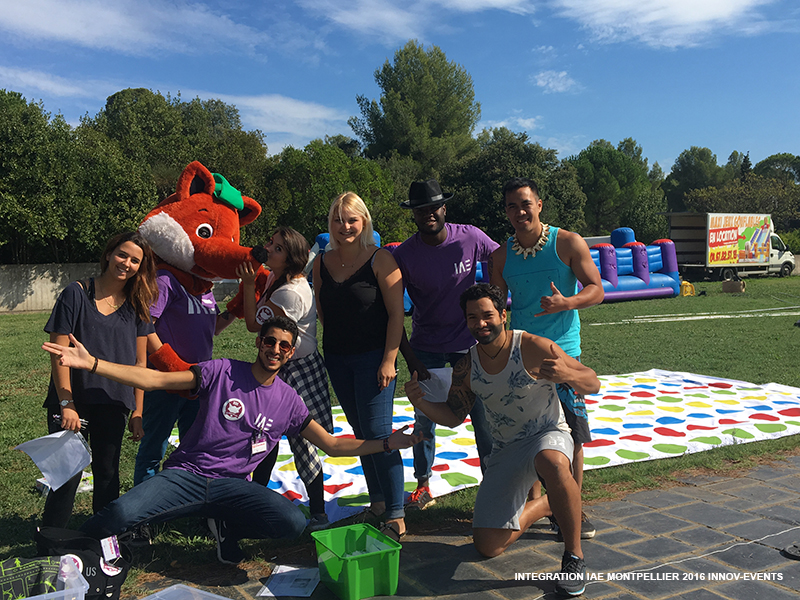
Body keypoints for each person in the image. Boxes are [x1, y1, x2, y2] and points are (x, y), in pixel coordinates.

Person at [42, 316, 422, 564]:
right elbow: (156, 380)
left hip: (232, 488)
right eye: (269, 342)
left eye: (283, 346)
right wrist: (92, 364)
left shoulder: (288, 400)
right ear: (259, 343)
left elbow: (334, 445)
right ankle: (64, 545)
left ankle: (226, 525)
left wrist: (389, 443)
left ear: (291, 353)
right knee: (122, 514)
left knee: (293, 522)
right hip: (187, 475)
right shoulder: (221, 371)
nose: (275, 350)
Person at [405, 284, 599, 597]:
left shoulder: (533, 346)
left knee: (550, 460)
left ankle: (573, 556)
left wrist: (568, 374)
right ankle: (548, 504)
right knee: (487, 546)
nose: (480, 323)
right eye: (472, 318)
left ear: (502, 315)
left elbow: (593, 381)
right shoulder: (466, 366)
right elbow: (454, 416)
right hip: (506, 448)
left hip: (547, 433)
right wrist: (422, 403)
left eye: (487, 315)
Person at [489, 177, 604, 540]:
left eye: (525, 203)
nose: (519, 212)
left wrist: (567, 302)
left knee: (574, 433)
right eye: (511, 206)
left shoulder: (567, 242)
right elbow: (496, 306)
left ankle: (573, 508)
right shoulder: (501, 256)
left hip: (565, 353)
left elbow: (596, 289)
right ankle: (537, 502)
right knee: (528, 433)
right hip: (522, 356)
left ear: (539, 205)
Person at [393, 179, 498, 510]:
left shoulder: (469, 236)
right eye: (421, 209)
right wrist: (412, 360)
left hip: (471, 344)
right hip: (427, 347)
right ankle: (422, 486)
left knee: (484, 417)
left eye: (433, 207)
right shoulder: (405, 255)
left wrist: (497, 301)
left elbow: (501, 256)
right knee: (424, 419)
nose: (428, 214)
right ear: (414, 214)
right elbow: (393, 313)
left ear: (444, 208)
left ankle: (494, 484)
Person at [42, 231, 158, 527]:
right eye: (122, 255)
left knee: (107, 474)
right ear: (109, 254)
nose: (126, 264)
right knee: (67, 475)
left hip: (113, 401)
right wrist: (67, 404)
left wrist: (138, 410)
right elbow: (59, 353)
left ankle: (103, 538)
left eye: (135, 260)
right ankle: (51, 540)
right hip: (72, 401)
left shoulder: (137, 305)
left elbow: (140, 362)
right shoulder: (76, 293)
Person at [312, 192, 408, 541]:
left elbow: (397, 314)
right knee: (361, 434)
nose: (345, 227)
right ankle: (379, 502)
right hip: (338, 358)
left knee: (380, 434)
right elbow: (323, 311)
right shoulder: (321, 263)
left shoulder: (381, 259)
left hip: (374, 359)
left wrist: (388, 359)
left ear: (364, 222)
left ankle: (397, 513)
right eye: (338, 220)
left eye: (351, 219)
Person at [236, 227, 333, 531]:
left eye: (276, 248)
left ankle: (317, 512)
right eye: (270, 242)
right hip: (295, 365)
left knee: (301, 440)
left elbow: (254, 325)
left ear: (290, 257)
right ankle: (258, 497)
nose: (268, 248)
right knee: (267, 431)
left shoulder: (287, 292)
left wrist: (249, 283)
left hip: (293, 371)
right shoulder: (284, 281)